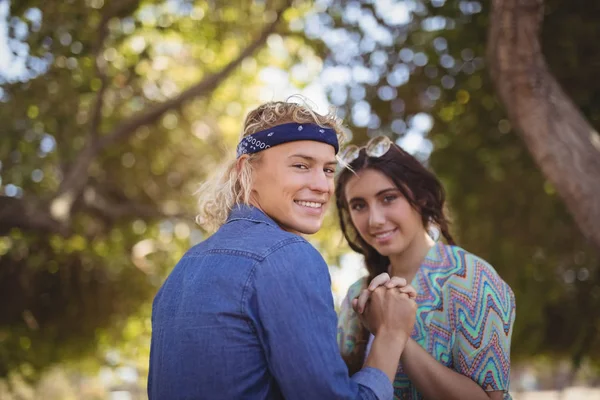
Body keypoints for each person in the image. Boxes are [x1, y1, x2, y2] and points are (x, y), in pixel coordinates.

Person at [148, 99, 418, 400]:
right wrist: (391, 336)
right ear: (245, 170)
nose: (322, 185)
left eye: (328, 170)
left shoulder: (183, 268)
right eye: (301, 165)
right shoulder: (288, 256)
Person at [335, 136, 516, 400]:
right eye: (359, 205)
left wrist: (393, 334)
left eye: (388, 198)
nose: (374, 220)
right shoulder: (358, 293)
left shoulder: (470, 277)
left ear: (420, 197)